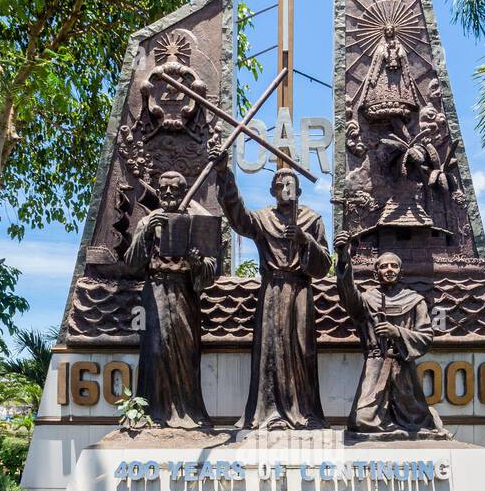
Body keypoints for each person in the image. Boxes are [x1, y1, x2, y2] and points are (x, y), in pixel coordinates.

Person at [210, 148, 331, 430]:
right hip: (273, 291)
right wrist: (224, 174)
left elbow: (324, 264)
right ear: (272, 190)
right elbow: (238, 218)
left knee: (302, 350)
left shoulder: (312, 220)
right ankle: (271, 412)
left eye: (290, 184)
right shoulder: (264, 218)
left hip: (301, 290)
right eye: (280, 184)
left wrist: (305, 241)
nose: (285, 188)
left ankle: (304, 412)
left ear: (299, 190)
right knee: (272, 350)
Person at [124, 170, 218, 428]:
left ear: (182, 191)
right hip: (153, 292)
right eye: (163, 189)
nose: (167, 194)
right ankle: (153, 413)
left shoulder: (195, 221)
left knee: (187, 353)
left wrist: (197, 261)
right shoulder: (147, 221)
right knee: (153, 351)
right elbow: (132, 263)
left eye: (173, 189)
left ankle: (188, 413)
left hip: (184, 294)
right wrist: (145, 234)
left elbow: (211, 268)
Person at [335, 233, 452, 438]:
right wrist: (344, 258)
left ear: (400, 272)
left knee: (416, 421)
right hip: (376, 365)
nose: (389, 270)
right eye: (383, 266)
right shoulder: (368, 300)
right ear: (376, 273)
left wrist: (397, 332)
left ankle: (424, 415)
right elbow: (348, 296)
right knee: (361, 421)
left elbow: (426, 337)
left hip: (403, 368)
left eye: (393, 266)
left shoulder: (415, 301)